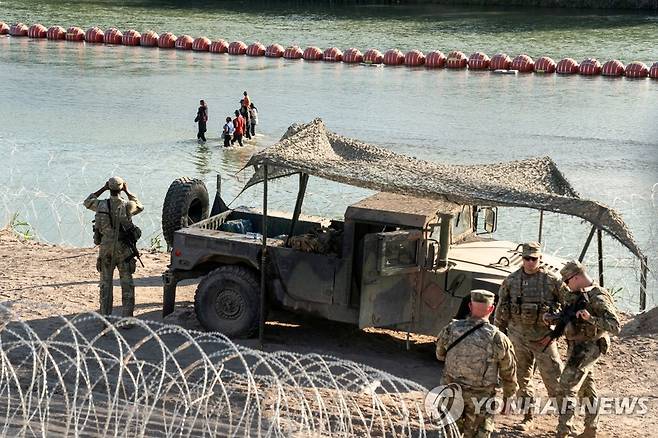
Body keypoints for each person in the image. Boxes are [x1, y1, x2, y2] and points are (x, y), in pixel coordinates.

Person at [494, 241, 570, 431]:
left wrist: (555, 330)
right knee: (522, 379)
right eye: (526, 258)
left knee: (555, 380)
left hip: (543, 339)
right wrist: (499, 336)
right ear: (522, 258)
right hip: (517, 337)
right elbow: (501, 310)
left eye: (533, 259)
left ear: (540, 258)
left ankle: (564, 422)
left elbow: (569, 308)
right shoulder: (511, 281)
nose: (530, 262)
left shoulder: (552, 281)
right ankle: (528, 417)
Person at [550, 260, 620, 438]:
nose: (566, 285)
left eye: (567, 281)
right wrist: (553, 318)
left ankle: (563, 431)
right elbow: (570, 315)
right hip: (576, 346)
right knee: (587, 388)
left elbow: (615, 326)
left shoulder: (598, 297)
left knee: (565, 387)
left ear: (578, 277)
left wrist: (591, 319)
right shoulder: (577, 293)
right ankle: (591, 429)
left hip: (590, 346)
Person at [436, 289, 518, 438]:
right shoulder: (498, 338)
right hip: (480, 400)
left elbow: (440, 355)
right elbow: (509, 372)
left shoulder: (451, 329)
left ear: (470, 306)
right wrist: (508, 398)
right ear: (492, 309)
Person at [83, 177, 143, 320]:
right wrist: (128, 192)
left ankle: (105, 317)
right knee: (127, 284)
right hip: (124, 250)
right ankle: (127, 319)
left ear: (109, 188)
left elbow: (87, 202)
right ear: (121, 188)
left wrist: (102, 189)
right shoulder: (127, 206)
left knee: (105, 284)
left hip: (106, 249)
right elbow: (140, 206)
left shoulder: (100, 205)